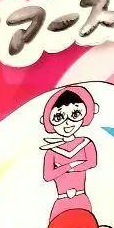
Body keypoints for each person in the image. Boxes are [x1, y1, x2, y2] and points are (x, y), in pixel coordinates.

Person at [41, 85, 99, 220]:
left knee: (85, 226)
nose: (67, 123)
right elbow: (48, 175)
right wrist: (70, 165)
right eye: (59, 117)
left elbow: (92, 162)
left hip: (81, 197)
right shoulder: (51, 151)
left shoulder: (86, 143)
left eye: (75, 115)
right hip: (61, 200)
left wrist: (63, 168)